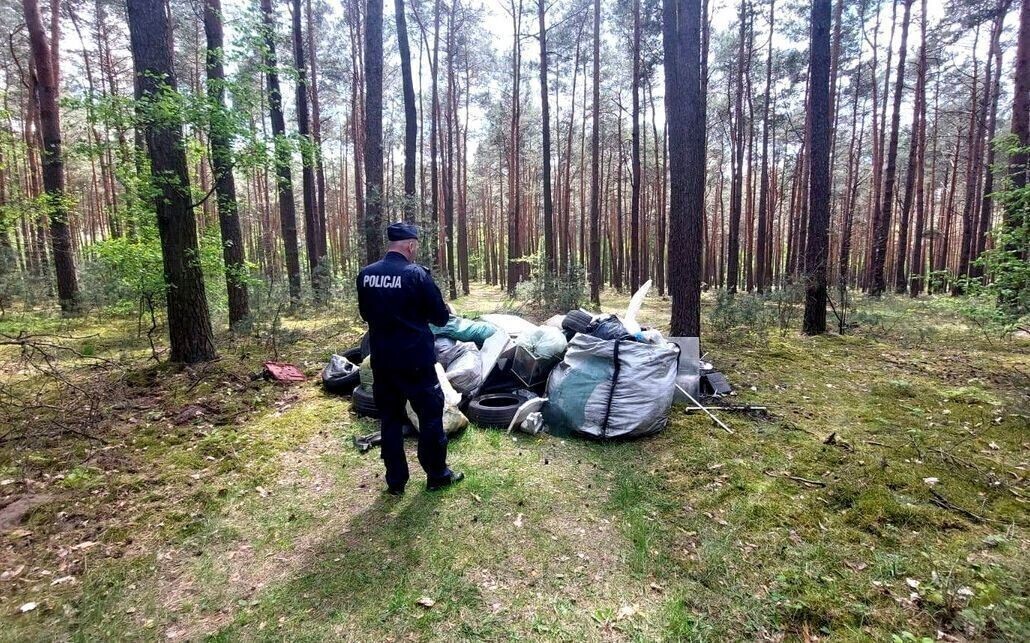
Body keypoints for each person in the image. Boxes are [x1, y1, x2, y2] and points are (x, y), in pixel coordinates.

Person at [356, 222, 464, 495]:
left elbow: (365, 315)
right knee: (429, 418)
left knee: (390, 419)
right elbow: (440, 317)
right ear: (410, 245)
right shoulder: (417, 275)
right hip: (416, 361)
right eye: (416, 246)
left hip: (382, 360)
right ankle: (437, 475)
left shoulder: (366, 275)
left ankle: (396, 482)